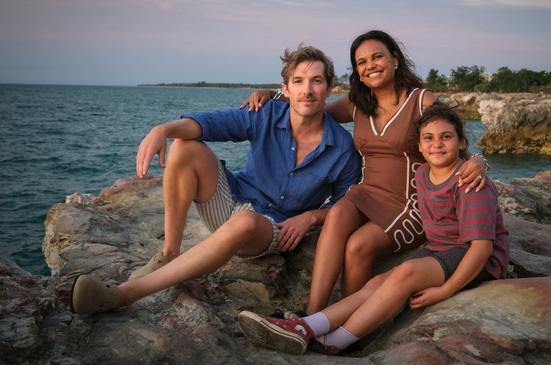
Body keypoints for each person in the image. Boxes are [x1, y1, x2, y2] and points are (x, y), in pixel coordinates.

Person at [69, 45, 361, 314]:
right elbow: (211, 123)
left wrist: (310, 217)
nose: (307, 90)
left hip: (271, 228)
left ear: (330, 89)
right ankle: (169, 252)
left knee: (245, 222)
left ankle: (123, 294)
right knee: (184, 144)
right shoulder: (266, 113)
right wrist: (163, 129)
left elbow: (345, 208)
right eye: (298, 81)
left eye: (316, 81)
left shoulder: (342, 149)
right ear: (285, 88)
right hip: (231, 200)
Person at [243, 30, 488, 314]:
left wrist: (479, 161)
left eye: (377, 57)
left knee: (358, 246)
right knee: (336, 213)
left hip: (410, 203)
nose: (369, 65)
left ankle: (347, 324)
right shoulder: (358, 104)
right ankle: (312, 316)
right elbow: (310, 108)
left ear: (394, 59)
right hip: (365, 193)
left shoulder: (421, 101)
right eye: (361, 62)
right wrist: (273, 96)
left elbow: (449, 137)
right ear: (357, 71)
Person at [237, 102, 509, 355]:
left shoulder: (470, 184)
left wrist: (446, 290)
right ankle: (308, 326)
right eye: (429, 138)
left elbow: (482, 247)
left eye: (446, 137)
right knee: (376, 284)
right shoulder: (423, 174)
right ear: (420, 145)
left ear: (462, 142)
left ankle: (334, 343)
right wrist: (273, 98)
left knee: (405, 273)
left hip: (474, 257)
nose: (437, 144)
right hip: (440, 251)